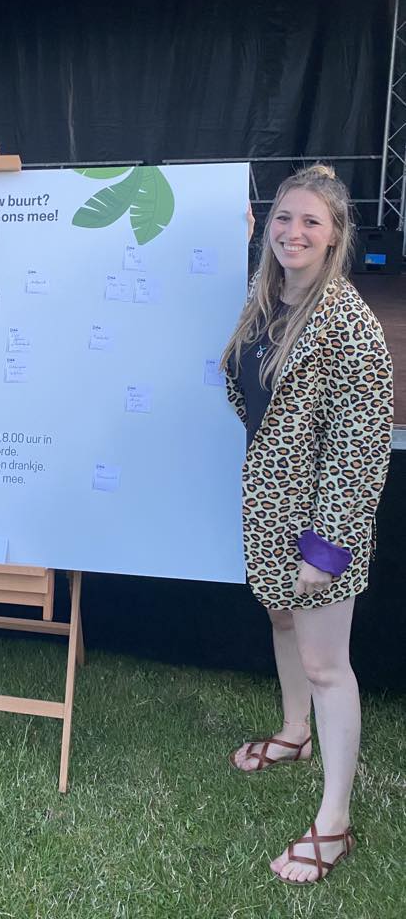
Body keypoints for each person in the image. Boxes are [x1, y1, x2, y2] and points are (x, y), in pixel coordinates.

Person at [222, 164, 393, 883]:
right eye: (284, 218)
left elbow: (362, 448)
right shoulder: (268, 301)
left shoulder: (348, 323)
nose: (293, 232)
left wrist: (326, 551)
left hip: (321, 524)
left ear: (335, 235)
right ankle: (296, 734)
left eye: (311, 222)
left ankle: (335, 824)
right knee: (282, 621)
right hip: (269, 506)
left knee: (327, 666)